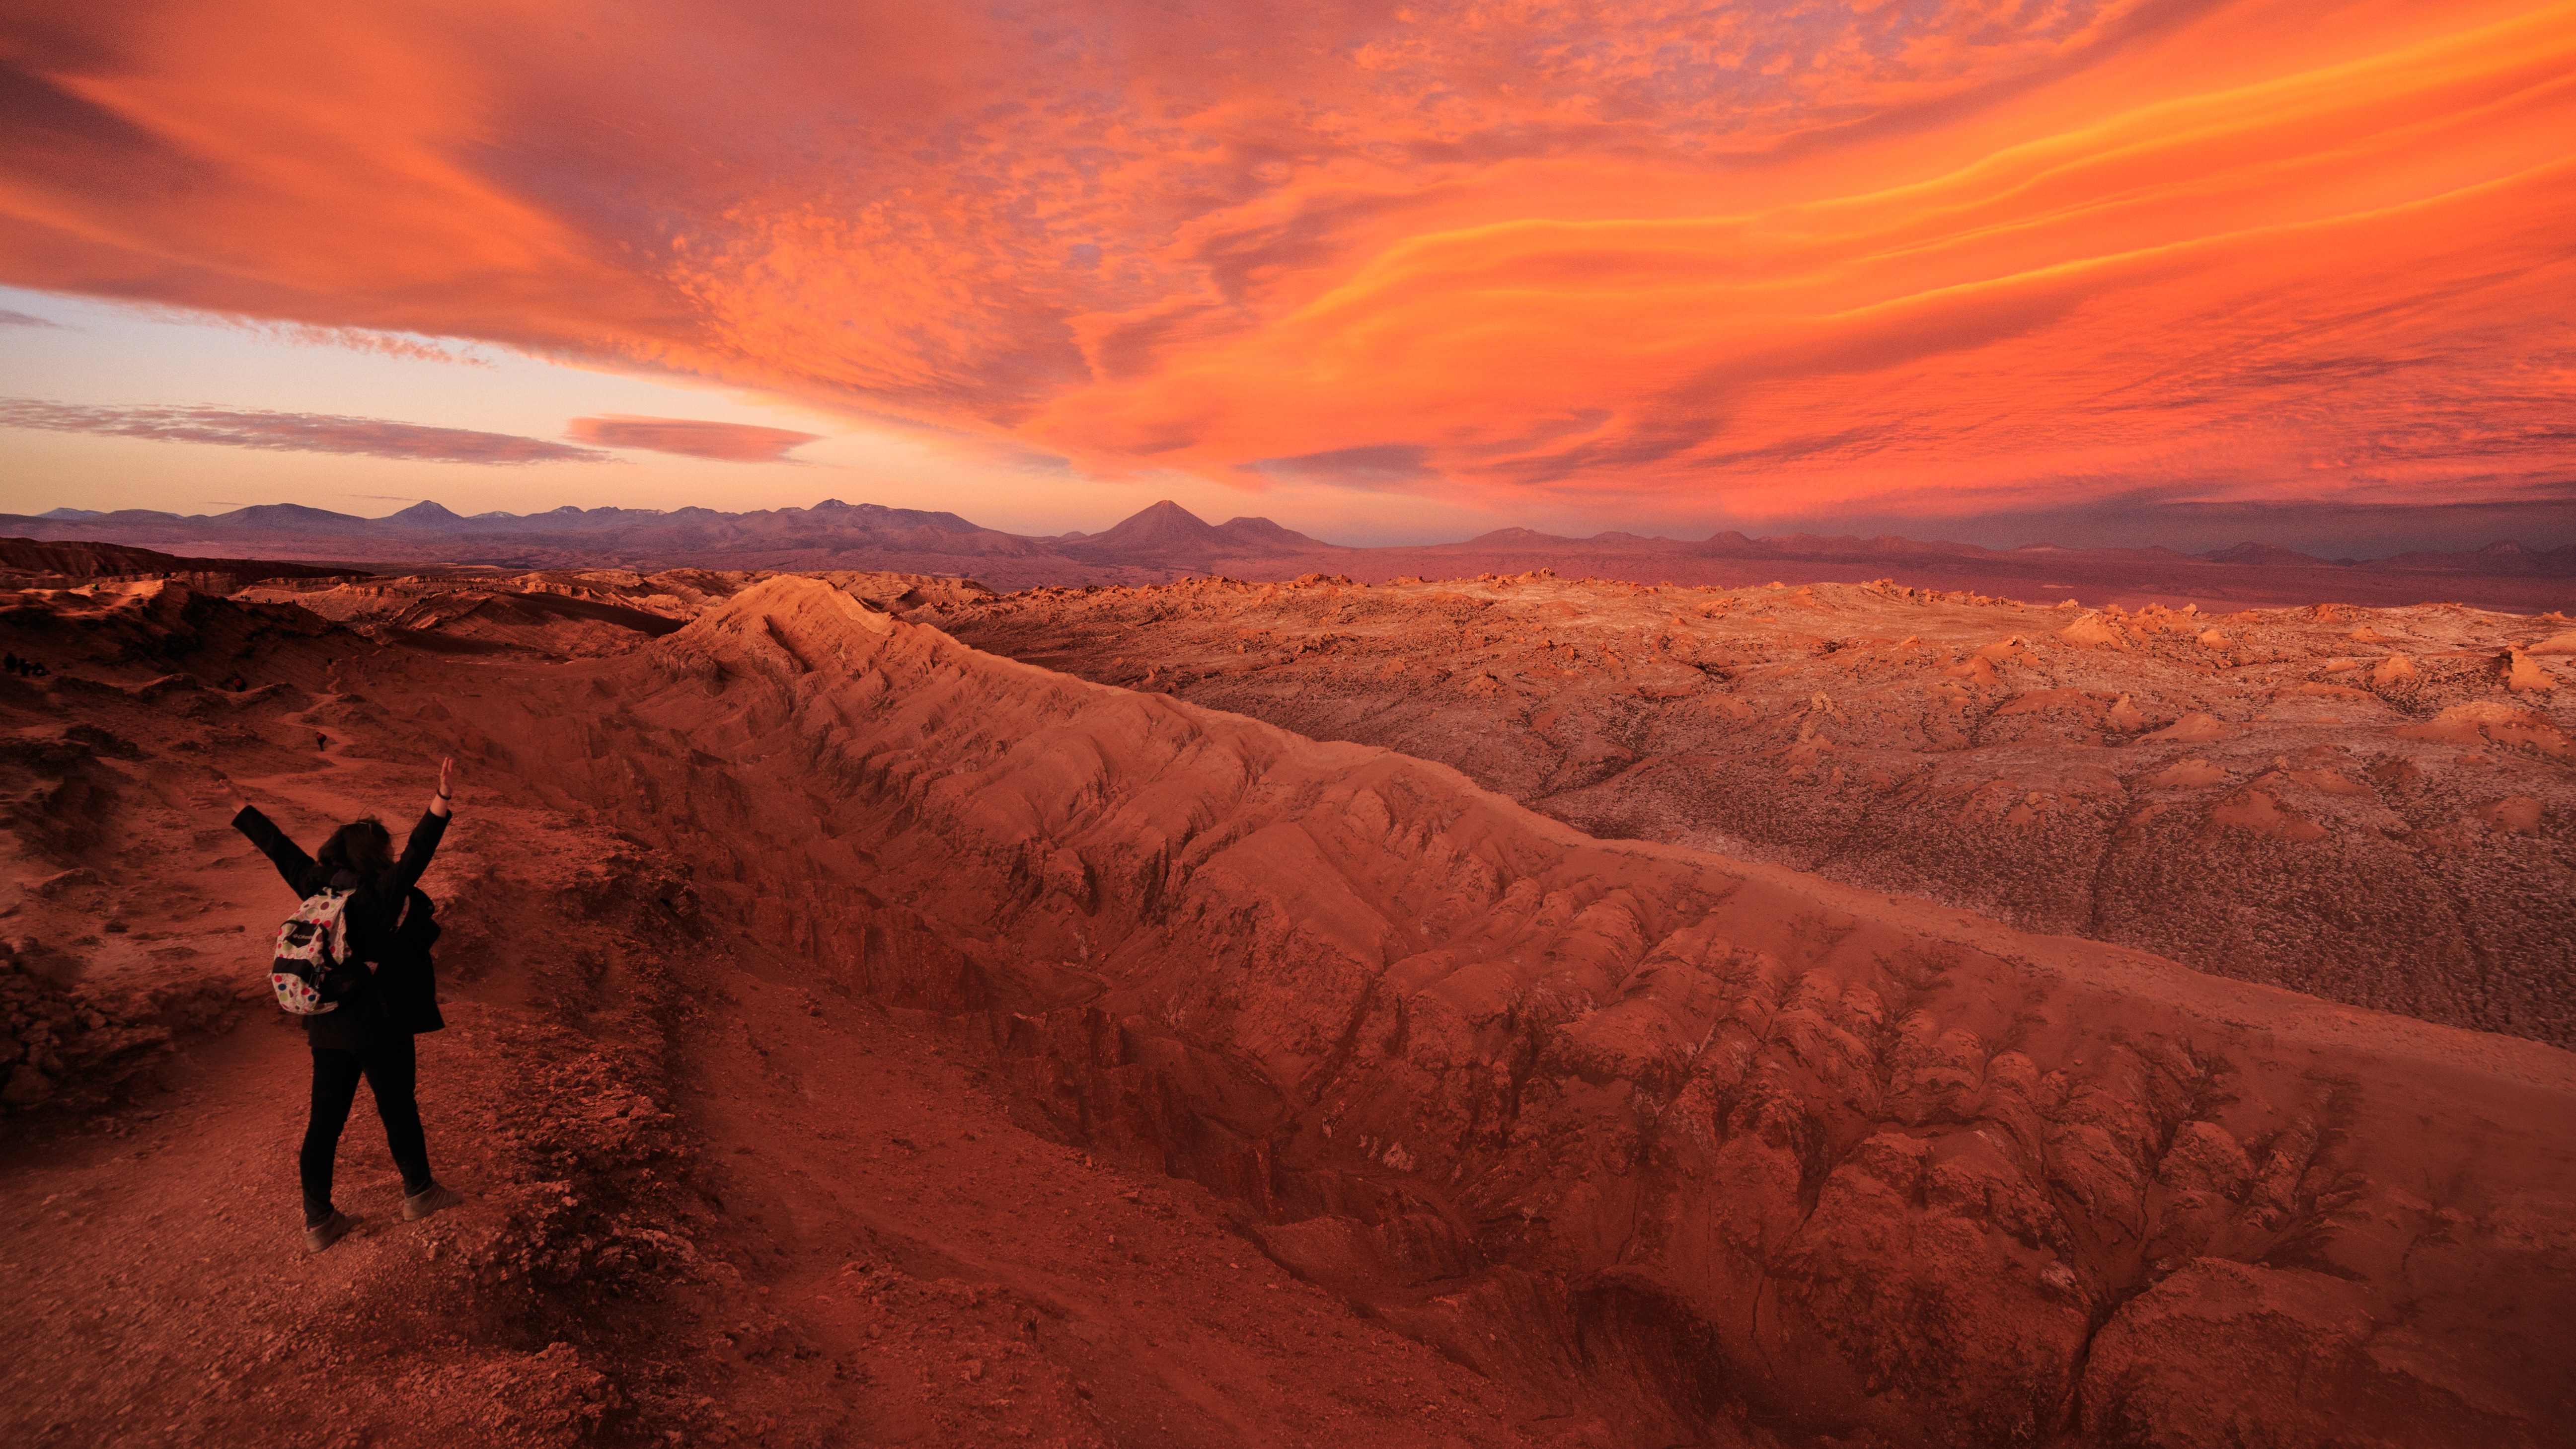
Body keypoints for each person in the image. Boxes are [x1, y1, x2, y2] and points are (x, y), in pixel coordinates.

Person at [223, 759, 463, 1252]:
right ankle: (419, 1192)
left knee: (324, 1123)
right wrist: (441, 796)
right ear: (375, 856)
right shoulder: (378, 893)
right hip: (381, 1026)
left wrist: (242, 807)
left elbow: (280, 850)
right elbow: (420, 851)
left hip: (327, 1026)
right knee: (397, 1106)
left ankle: (318, 1220)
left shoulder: (317, 887)